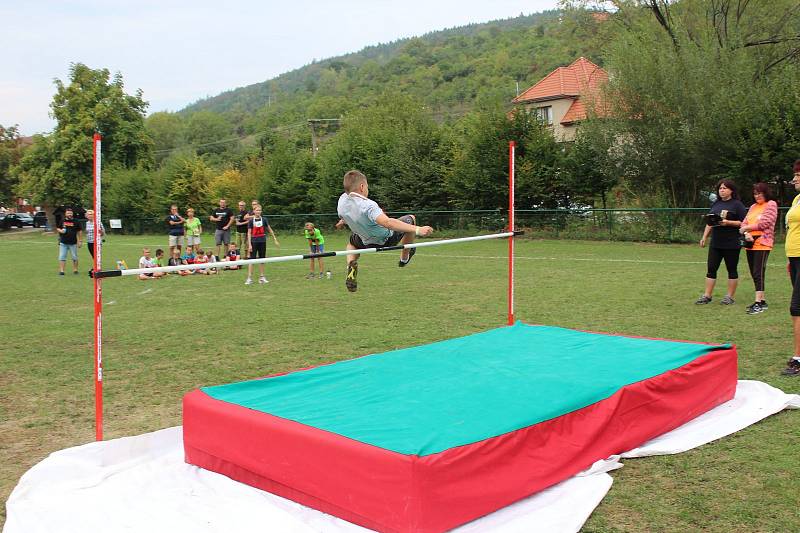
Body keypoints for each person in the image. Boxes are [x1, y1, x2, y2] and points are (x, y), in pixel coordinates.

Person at [335, 170, 433, 292]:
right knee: (411, 219)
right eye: (367, 187)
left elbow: (345, 215)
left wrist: (342, 221)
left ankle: (351, 264)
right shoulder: (369, 205)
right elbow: (388, 223)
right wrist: (418, 229)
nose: (367, 190)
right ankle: (404, 258)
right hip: (386, 240)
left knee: (351, 244)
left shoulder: (342, 202)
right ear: (361, 187)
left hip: (363, 240)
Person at [696, 179, 747, 305]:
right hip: (716, 243)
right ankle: (707, 295)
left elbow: (744, 223)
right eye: (720, 188)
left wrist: (728, 222)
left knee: (731, 269)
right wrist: (704, 237)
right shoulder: (716, 204)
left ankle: (729, 297)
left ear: (731, 190)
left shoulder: (737, 205)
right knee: (711, 269)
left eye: (725, 188)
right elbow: (710, 222)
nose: (722, 190)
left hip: (732, 243)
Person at [738, 183, 778, 315]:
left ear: (766, 193)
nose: (757, 196)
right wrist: (746, 233)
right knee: (754, 272)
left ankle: (758, 303)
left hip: (763, 242)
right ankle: (762, 300)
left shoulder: (771, 204)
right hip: (750, 243)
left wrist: (747, 228)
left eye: (760, 193)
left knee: (758, 272)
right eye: (755, 194)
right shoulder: (753, 207)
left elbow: (765, 223)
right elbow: (744, 222)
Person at [783, 160, 800, 376]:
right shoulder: (797, 199)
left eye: (798, 174)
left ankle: (798, 357)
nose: (795, 178)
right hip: (794, 258)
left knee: (797, 307)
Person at [245, 204, 279, 285]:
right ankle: (249, 278)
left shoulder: (264, 219)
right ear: (254, 211)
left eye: (259, 210)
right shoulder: (250, 221)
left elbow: (270, 230)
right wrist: (249, 244)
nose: (258, 212)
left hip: (262, 241)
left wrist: (275, 239)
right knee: (252, 260)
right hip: (253, 242)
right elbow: (249, 233)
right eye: (257, 210)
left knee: (262, 259)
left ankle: (262, 277)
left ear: (261, 211)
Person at [57, 208, 82, 275]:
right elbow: (58, 228)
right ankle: (62, 271)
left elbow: (79, 231)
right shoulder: (62, 220)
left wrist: (80, 240)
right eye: (68, 213)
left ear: (72, 214)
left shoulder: (76, 221)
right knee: (62, 257)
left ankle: (75, 270)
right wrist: (61, 231)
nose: (69, 214)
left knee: (74, 257)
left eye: (70, 213)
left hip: (73, 243)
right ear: (65, 214)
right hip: (63, 242)